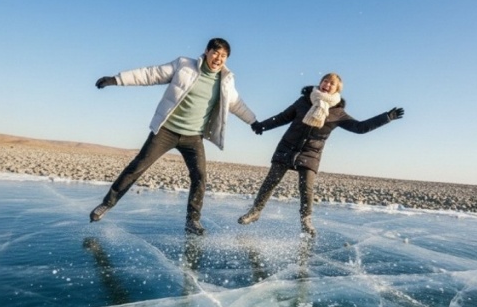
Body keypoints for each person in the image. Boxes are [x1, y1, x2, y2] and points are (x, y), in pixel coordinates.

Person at [90, 37, 256, 235]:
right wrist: (116, 79)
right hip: (166, 131)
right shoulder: (184, 66)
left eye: (223, 56)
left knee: (200, 177)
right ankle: (106, 204)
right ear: (206, 51)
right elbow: (151, 74)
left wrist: (253, 121)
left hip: (193, 137)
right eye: (215, 53)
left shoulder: (226, 81)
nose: (218, 59)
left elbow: (237, 104)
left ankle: (192, 221)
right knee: (137, 166)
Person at [238, 72, 404, 236]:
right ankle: (255, 211)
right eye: (325, 81)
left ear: (336, 90)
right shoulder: (304, 101)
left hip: (311, 154)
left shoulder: (338, 113)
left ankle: (306, 221)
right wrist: (262, 126)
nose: (327, 85)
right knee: (271, 181)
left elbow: (359, 128)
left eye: (331, 84)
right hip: (287, 148)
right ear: (320, 83)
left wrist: (386, 117)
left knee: (306, 189)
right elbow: (282, 117)